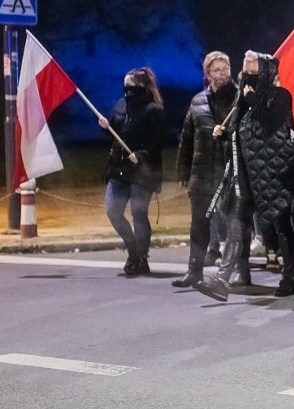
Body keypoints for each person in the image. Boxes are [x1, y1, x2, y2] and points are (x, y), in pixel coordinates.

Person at [199, 52, 294, 299]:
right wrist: (224, 134)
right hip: (246, 173)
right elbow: (240, 132)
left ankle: (288, 277)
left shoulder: (280, 96)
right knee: (236, 224)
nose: (247, 78)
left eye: (252, 73)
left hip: (273, 173)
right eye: (245, 73)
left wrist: (254, 99)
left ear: (265, 73)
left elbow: (270, 124)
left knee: (281, 224)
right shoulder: (241, 99)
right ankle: (222, 280)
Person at [173, 52, 238, 288]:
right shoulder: (197, 101)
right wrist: (183, 171)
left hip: (229, 172)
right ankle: (194, 270)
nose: (223, 73)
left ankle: (240, 271)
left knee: (234, 223)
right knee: (198, 224)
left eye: (226, 68)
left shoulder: (240, 99)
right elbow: (187, 139)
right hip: (202, 173)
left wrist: (227, 134)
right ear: (208, 74)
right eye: (217, 70)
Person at [100, 67, 170, 277]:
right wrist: (105, 126)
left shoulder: (153, 109)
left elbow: (159, 141)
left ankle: (141, 256)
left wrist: (141, 154)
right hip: (119, 168)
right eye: (125, 86)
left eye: (131, 86)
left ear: (141, 87)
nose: (127, 90)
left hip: (143, 171)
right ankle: (132, 249)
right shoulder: (121, 105)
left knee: (139, 213)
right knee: (113, 211)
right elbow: (114, 131)